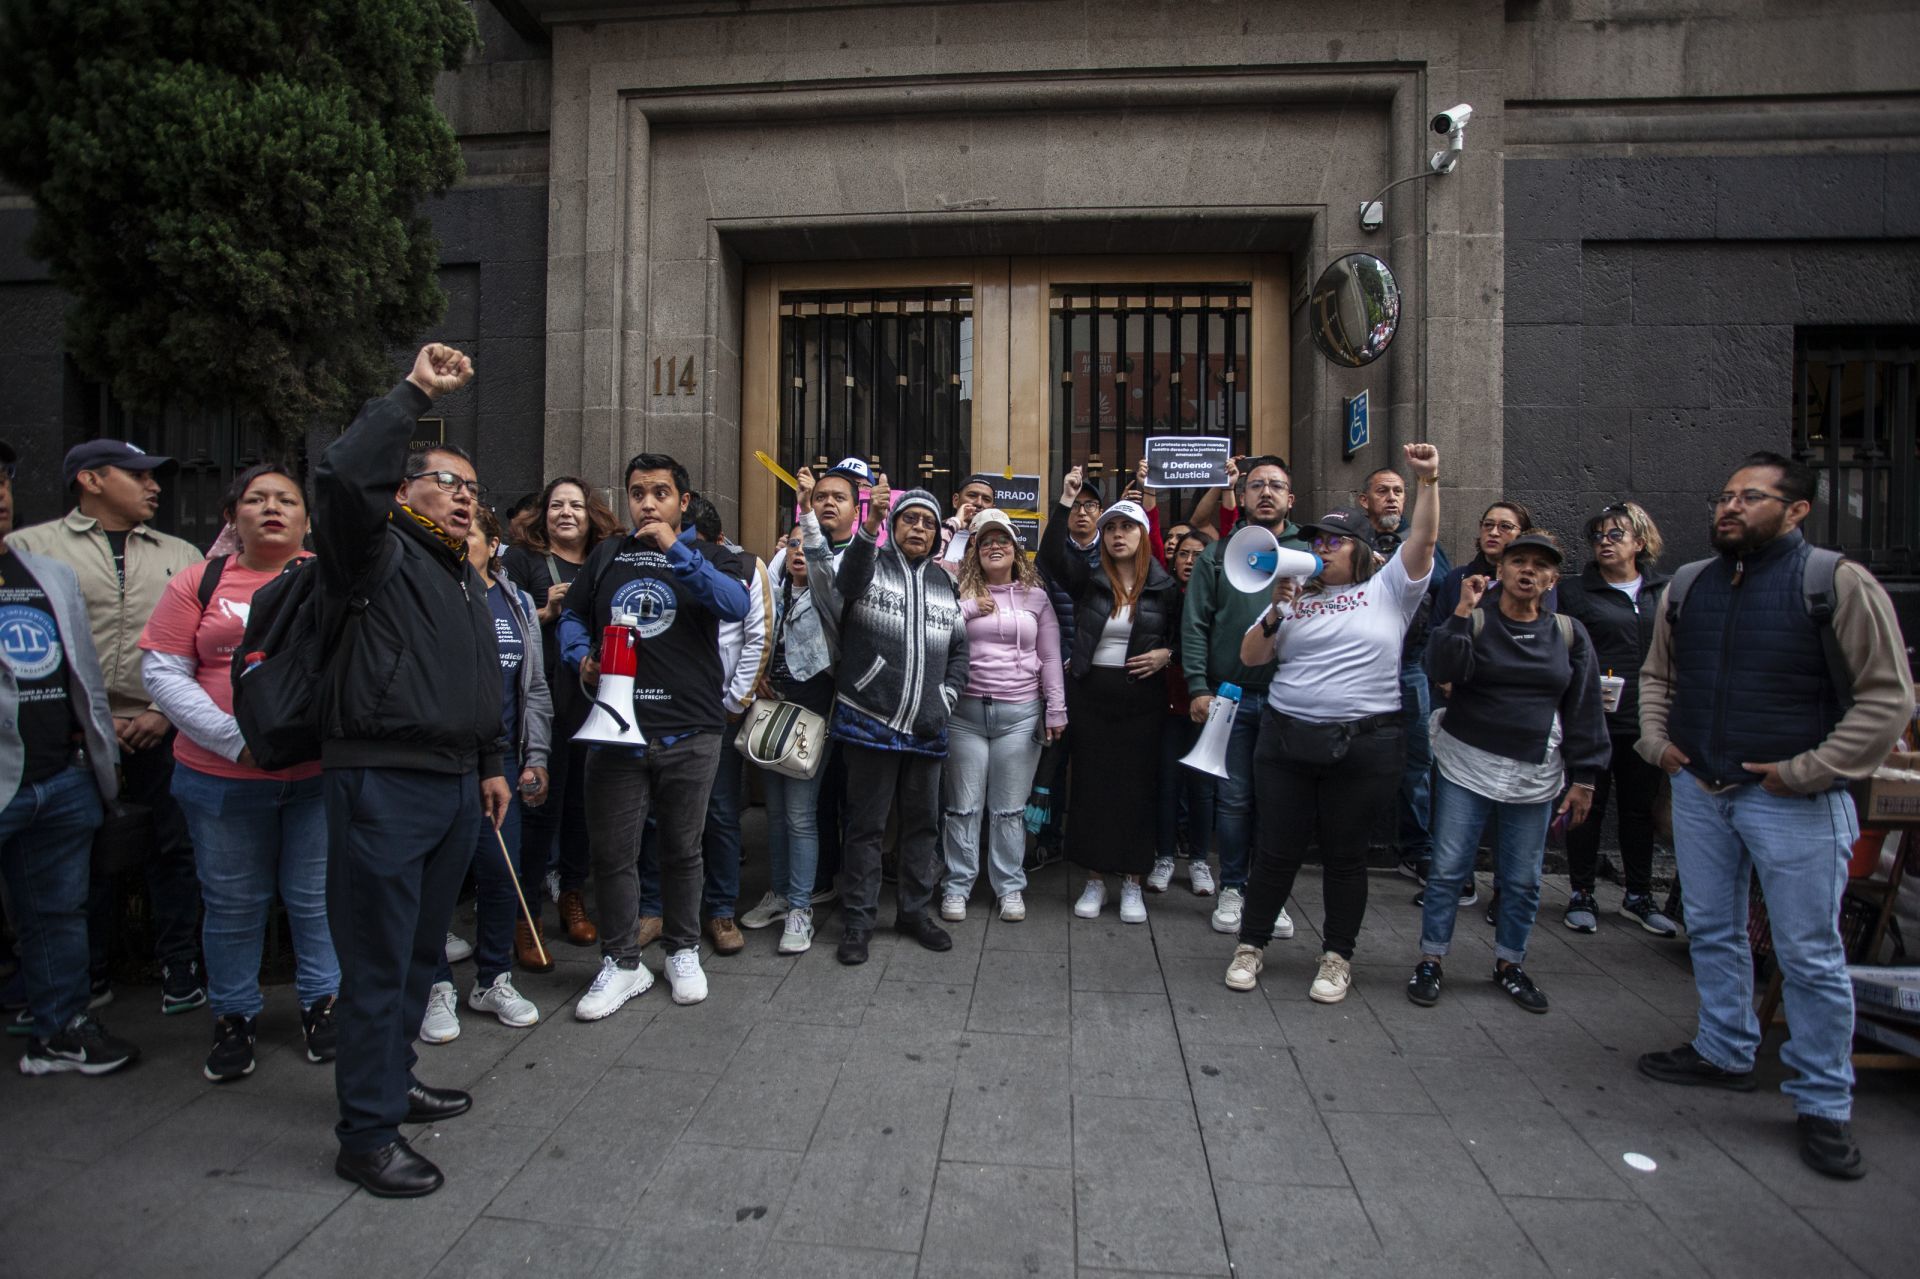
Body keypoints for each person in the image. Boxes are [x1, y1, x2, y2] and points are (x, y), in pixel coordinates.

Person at [1636, 453, 1913, 1181]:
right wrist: (1658, 742)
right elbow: (1659, 673)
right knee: (1715, 928)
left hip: (1794, 802)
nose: (1729, 508)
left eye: (1750, 498)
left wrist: (1807, 771)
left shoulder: (1836, 583)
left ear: (1795, 511)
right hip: (1702, 787)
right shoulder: (1691, 584)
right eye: (1725, 496)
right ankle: (1725, 1048)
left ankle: (1823, 1100)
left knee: (1809, 954)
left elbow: (1887, 700)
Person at [315, 344, 510, 1198]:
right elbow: (342, 476)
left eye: (473, 486)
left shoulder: (459, 572)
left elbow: (480, 678)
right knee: (379, 960)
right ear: (401, 491)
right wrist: (414, 392)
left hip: (455, 785)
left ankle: (392, 1085)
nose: (465, 496)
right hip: (383, 783)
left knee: (421, 954)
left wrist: (492, 762)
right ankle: (365, 1134)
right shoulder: (375, 548)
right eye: (446, 481)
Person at [138, 463, 339, 1082]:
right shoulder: (198, 583)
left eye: (286, 500)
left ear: (307, 519)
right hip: (220, 778)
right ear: (233, 517)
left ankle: (323, 1005)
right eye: (256, 499)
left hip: (314, 777)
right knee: (231, 904)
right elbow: (163, 672)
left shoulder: (329, 582)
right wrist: (235, 741)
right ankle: (233, 1016)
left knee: (315, 900)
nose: (271, 508)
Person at [1223, 443, 1441, 1002]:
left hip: (1364, 746)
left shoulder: (1389, 588)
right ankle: (1251, 944)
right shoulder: (1296, 599)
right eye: (1316, 539)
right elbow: (1250, 659)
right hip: (1286, 739)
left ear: (1361, 549)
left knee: (1345, 856)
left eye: (1333, 540)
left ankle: (1337, 956)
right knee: (1276, 849)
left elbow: (1424, 542)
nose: (1320, 547)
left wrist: (1429, 482)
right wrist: (1275, 610)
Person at [9, 439, 204, 1013]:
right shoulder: (28, 551)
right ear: (90, 480)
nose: (155, 486)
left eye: (156, 476)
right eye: (137, 474)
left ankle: (179, 965)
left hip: (162, 727)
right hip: (71, 737)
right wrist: (90, 720)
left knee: (175, 850)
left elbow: (198, 647)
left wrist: (162, 712)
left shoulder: (181, 553)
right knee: (75, 860)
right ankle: (86, 975)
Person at [561, 452, 750, 1016]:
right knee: (615, 854)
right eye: (637, 491)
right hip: (618, 730)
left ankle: (682, 948)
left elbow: (734, 603)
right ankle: (622, 962)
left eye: (660, 492)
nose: (647, 502)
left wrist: (676, 549)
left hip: (690, 730)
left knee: (682, 850)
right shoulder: (606, 555)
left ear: (683, 502)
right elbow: (572, 615)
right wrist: (579, 657)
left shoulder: (714, 556)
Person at [1406, 533, 1609, 1015]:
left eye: (1540, 566)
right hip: (1467, 762)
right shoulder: (1475, 622)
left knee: (1521, 879)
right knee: (1450, 870)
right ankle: (1431, 958)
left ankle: (1509, 964)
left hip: (1534, 772)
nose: (1528, 571)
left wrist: (1586, 779)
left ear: (1552, 579)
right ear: (1501, 570)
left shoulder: (1568, 633)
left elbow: (1584, 708)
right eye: (1519, 561)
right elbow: (1441, 666)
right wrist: (1460, 611)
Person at [0, 440, 136, 1076]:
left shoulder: (44, 572)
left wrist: (93, 752)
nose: (1, 493)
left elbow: (79, 668)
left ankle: (60, 1028)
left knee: (58, 912)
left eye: (3, 479)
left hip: (59, 778)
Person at [805, 472, 968, 964]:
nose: (917, 528)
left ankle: (915, 911)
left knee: (921, 827)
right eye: (909, 519)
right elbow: (845, 585)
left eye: (927, 523)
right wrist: (869, 526)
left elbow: (959, 648)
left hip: (927, 724)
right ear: (894, 524)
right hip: (868, 720)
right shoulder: (868, 561)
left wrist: (947, 696)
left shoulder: (945, 581)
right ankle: (858, 920)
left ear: (939, 533)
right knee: (866, 828)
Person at [418, 508, 552, 1044]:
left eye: (468, 532)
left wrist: (535, 756)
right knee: (437, 884)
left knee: (502, 878)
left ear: (492, 544)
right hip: (442, 767)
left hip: (503, 764)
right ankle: (433, 986)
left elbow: (535, 687)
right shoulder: (427, 594)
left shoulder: (516, 602)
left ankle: (493, 977)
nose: (457, 539)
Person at [1180, 455, 1311, 933]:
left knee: (1277, 803)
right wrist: (1198, 685)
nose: (1266, 493)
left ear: (1290, 498)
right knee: (1233, 802)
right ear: (1245, 495)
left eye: (1277, 485)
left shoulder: (1312, 553)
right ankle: (1233, 887)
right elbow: (1194, 623)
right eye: (1256, 485)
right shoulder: (1218, 553)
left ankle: (1268, 893)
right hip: (1228, 696)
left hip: (1289, 700)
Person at [1041, 469, 1178, 926]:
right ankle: (1096, 878)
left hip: (1141, 700)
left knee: (1138, 789)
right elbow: (1050, 556)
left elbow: (1187, 637)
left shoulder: (1164, 587)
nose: (1118, 535)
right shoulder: (1091, 580)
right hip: (1091, 696)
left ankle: (1133, 881)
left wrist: (1166, 653)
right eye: (1112, 528)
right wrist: (1064, 502)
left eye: (1128, 527)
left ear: (1142, 534)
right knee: (1094, 788)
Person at [502, 477, 619, 959]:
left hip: (588, 700)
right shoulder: (519, 560)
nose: (565, 513)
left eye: (575, 505)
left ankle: (572, 897)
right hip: (539, 705)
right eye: (556, 505)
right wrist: (545, 609)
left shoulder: (604, 561)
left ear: (592, 514)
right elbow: (501, 620)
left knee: (581, 810)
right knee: (538, 811)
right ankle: (526, 914)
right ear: (541, 513)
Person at [1416, 497, 1548, 910]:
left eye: (1505, 527)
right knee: (1453, 798)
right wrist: (1445, 677)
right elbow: (1437, 635)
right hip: (1456, 708)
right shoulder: (1458, 578)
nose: (1494, 533)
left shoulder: (1536, 583)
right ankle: (1458, 879)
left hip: (1515, 714)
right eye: (1488, 525)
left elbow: (1540, 644)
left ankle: (1507, 890)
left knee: (1514, 810)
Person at [1556, 501, 1678, 937]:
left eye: (1615, 536)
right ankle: (1581, 892)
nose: (1604, 544)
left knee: (1639, 810)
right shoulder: (1575, 593)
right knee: (1586, 803)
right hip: (1592, 717)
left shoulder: (1663, 592)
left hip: (1646, 721)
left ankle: (1639, 895)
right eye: (1598, 537)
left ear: (1639, 543)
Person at [940, 508, 1066, 924]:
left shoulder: (1036, 597)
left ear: (1016, 550)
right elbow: (937, 630)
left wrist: (1056, 707)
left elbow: (1049, 656)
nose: (996, 546)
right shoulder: (955, 590)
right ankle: (957, 886)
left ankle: (1009, 887)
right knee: (963, 806)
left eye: (1004, 540)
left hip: (1020, 714)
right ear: (974, 551)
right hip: (964, 714)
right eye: (987, 541)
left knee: (1008, 809)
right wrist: (970, 609)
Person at [745, 523, 837, 954]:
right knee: (777, 813)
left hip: (810, 716)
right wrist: (758, 674)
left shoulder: (828, 595)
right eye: (793, 543)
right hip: (770, 713)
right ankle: (780, 894)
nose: (799, 551)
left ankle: (801, 907)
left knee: (801, 816)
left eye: (808, 545)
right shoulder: (772, 593)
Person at [1357, 466, 1451, 885]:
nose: (1393, 498)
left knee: (1417, 762)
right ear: (1365, 501)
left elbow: (1443, 587)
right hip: (1361, 665)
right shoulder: (1351, 542)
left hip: (1409, 666)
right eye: (1383, 491)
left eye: (1398, 491)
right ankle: (1351, 843)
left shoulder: (1420, 542)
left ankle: (1418, 850)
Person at [1031, 475, 1104, 860]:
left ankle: (1087, 841)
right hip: (1055, 674)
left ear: (1101, 515)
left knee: (1092, 764)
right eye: (1076, 506)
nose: (1081, 512)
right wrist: (1065, 497)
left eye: (1090, 506)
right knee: (1051, 764)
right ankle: (1047, 839)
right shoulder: (1052, 557)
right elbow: (1048, 559)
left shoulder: (1109, 556)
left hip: (1094, 676)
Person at [1148, 529, 1217, 893]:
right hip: (1168, 702)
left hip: (1207, 703)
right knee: (1168, 783)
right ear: (1173, 561)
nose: (1190, 561)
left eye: (1199, 554)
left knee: (1202, 787)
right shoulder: (1164, 596)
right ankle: (1163, 857)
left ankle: (1199, 860)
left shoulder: (1219, 596)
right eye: (1184, 554)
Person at [937, 471, 1000, 564]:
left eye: (986, 499)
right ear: (956, 500)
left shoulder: (999, 542)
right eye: (972, 495)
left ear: (992, 508)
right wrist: (955, 523)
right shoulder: (935, 532)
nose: (979, 503)